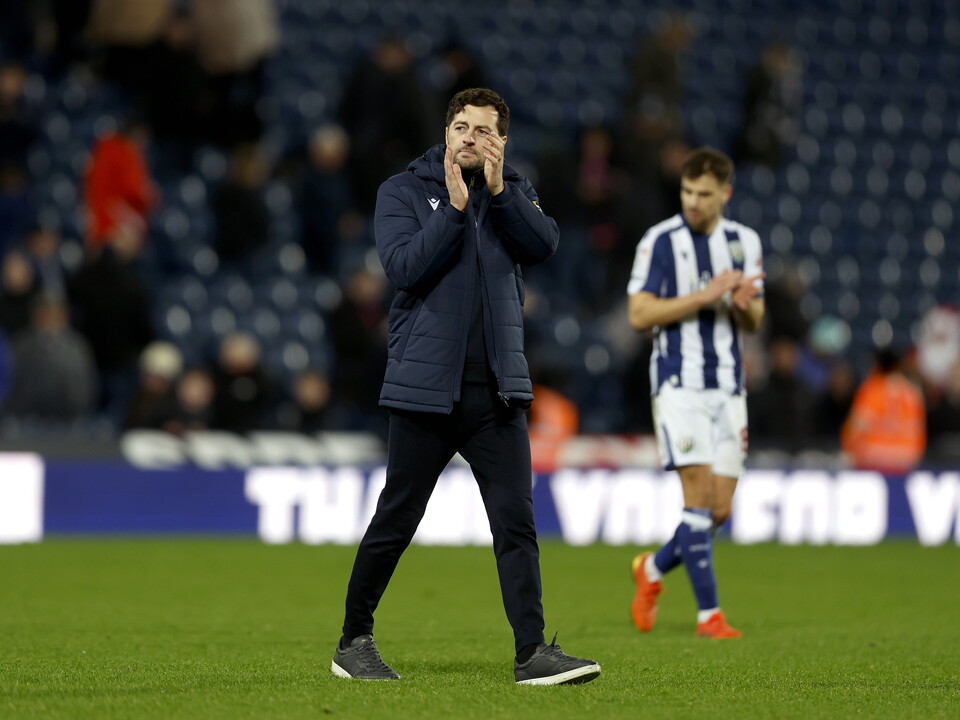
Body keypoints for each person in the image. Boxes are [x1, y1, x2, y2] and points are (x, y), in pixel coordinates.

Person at [332, 88, 600, 686]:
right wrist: (453, 211)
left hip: (497, 393)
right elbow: (403, 269)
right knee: (396, 520)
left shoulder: (515, 192)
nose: (470, 138)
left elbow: (545, 244)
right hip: (425, 390)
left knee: (516, 524)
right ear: (445, 132)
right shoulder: (403, 191)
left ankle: (532, 653)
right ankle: (353, 641)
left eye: (484, 130)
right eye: (461, 126)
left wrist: (500, 193)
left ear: (501, 140)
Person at [626, 147, 765, 639]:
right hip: (679, 384)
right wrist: (704, 297)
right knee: (699, 502)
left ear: (724, 194)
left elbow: (753, 317)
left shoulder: (743, 241)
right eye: (687, 192)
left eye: (704, 194)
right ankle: (710, 616)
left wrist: (743, 304)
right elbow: (639, 314)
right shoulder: (660, 241)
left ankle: (653, 570)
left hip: (728, 386)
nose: (693, 201)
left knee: (719, 510)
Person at [840, 347, 926, 475]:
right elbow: (919, 431)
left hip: (873, 460)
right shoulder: (911, 391)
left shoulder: (872, 388)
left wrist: (848, 450)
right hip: (906, 459)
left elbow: (856, 427)